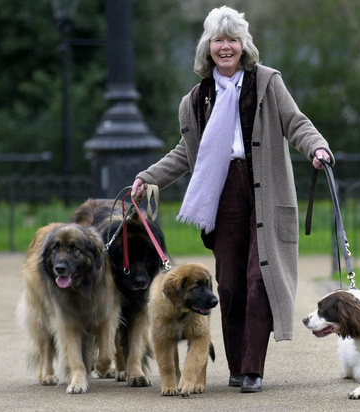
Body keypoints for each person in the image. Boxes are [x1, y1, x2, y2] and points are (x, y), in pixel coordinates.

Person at [131, 6, 333, 393]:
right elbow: (184, 153)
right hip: (222, 197)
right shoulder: (195, 100)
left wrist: (317, 148)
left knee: (260, 279)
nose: (226, 47)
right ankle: (237, 367)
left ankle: (253, 369)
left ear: (244, 46)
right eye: (219, 40)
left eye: (233, 40)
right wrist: (147, 178)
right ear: (208, 48)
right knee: (229, 286)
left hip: (266, 192)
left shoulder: (268, 83)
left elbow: (296, 123)